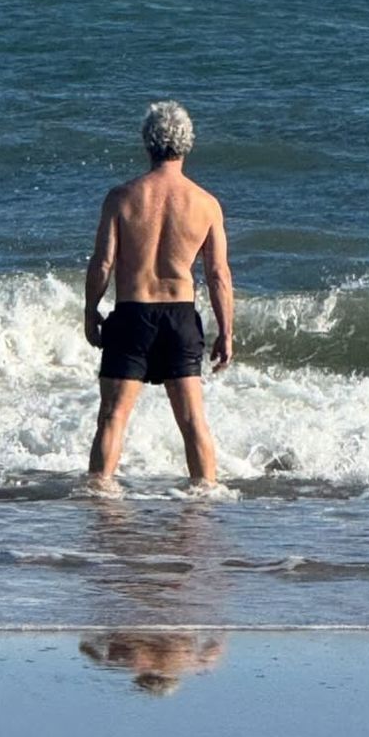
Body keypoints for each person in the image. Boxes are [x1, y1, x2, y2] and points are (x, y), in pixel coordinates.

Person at [84, 101, 233, 484]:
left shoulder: (122, 198)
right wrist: (226, 332)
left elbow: (103, 262)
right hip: (180, 316)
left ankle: (100, 496)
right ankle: (205, 499)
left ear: (147, 142)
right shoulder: (206, 204)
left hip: (132, 314)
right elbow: (218, 275)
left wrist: (90, 311)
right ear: (187, 144)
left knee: (113, 417)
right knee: (192, 420)